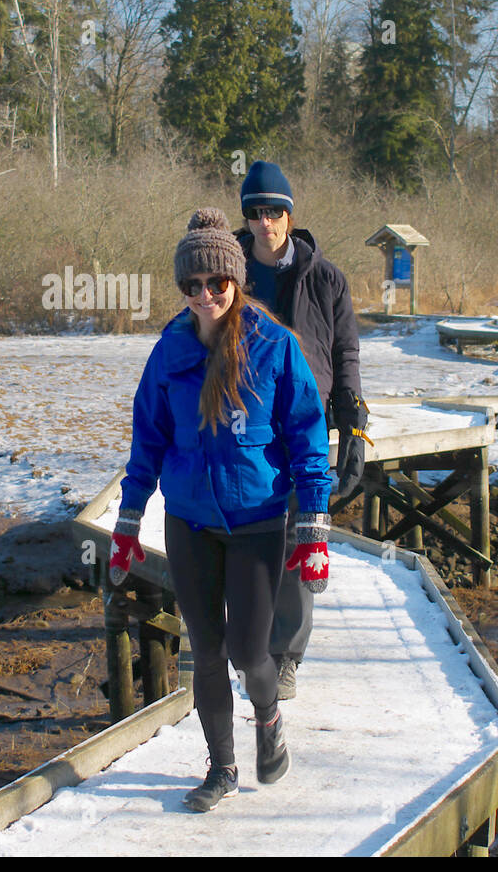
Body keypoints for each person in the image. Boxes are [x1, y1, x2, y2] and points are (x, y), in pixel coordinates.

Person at [108, 207, 333, 813]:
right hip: (189, 522)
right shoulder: (170, 351)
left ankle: (268, 711)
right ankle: (222, 768)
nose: (205, 296)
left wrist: (312, 527)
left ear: (235, 282)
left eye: (216, 283)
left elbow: (309, 437)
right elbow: (147, 442)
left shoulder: (274, 347)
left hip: (258, 520)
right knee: (204, 652)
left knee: (248, 653)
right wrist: (128, 524)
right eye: (192, 285)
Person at [235, 161, 368, 700]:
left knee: (296, 536)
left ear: (290, 215)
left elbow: (346, 354)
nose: (266, 223)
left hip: (304, 423)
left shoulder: (327, 277)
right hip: (243, 421)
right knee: (245, 536)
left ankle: (285, 654)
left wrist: (355, 426)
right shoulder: (230, 275)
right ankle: (247, 642)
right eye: (256, 213)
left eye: (275, 212)